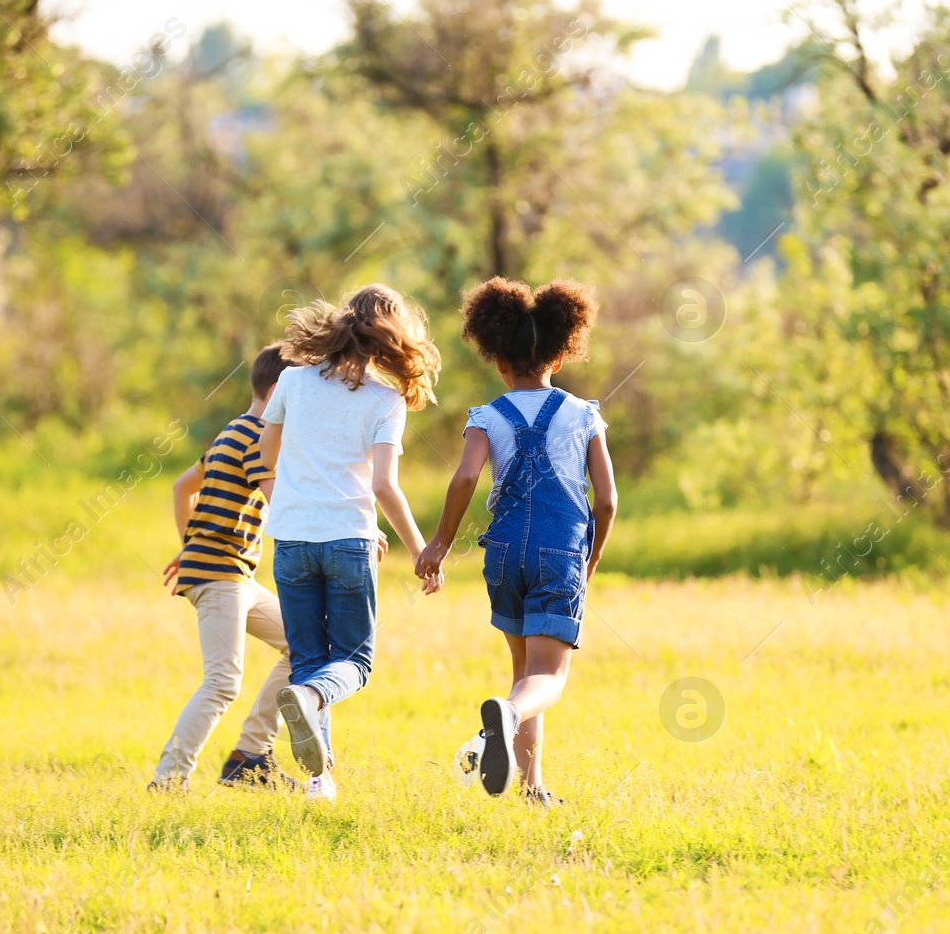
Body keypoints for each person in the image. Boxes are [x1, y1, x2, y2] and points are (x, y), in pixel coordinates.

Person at [416, 277, 616, 808]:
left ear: (499, 360)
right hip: (559, 550)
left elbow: (463, 479)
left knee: (523, 672)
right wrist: (591, 557)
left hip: (503, 554)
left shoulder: (487, 417)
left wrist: (438, 543)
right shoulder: (584, 415)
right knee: (548, 676)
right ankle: (505, 717)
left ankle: (533, 788)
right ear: (560, 353)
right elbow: (608, 499)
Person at [259, 283, 444, 801]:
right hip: (348, 543)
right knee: (354, 664)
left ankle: (320, 779)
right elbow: (384, 485)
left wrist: (296, 495)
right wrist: (420, 550)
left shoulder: (292, 382)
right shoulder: (386, 401)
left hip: (292, 540)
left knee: (309, 658)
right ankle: (312, 703)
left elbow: (264, 459)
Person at [151, 344, 299, 793]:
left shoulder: (230, 431)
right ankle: (168, 780)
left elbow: (183, 488)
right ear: (277, 394)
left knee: (305, 643)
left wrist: (191, 543)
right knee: (221, 683)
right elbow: (285, 508)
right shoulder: (260, 438)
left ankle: (250, 758)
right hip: (222, 575)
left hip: (233, 575)